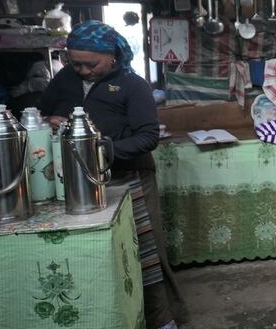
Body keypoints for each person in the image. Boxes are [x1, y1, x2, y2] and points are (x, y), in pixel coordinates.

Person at [39, 21, 185, 329]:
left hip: (130, 179)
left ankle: (161, 319)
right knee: (97, 251)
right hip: (77, 182)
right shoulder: (64, 80)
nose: (82, 70)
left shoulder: (133, 85)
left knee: (143, 251)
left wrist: (100, 150)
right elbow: (44, 112)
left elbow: (148, 137)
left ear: (112, 56)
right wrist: (48, 121)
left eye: (90, 64)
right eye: (74, 63)